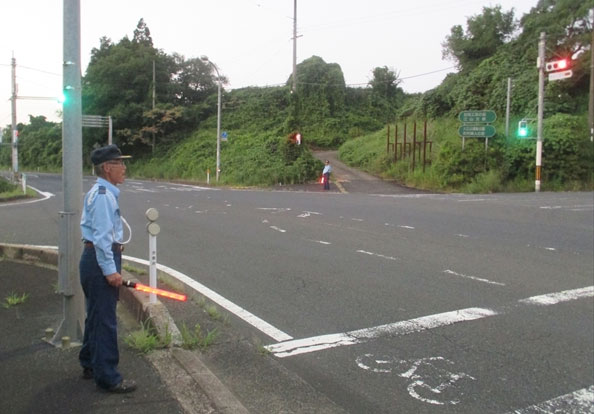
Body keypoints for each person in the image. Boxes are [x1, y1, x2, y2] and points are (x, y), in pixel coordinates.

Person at [78, 144, 136, 393]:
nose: (124, 168)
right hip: (99, 258)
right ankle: (108, 376)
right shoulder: (103, 196)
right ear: (107, 168)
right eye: (119, 163)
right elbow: (102, 238)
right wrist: (111, 270)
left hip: (93, 259)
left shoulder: (102, 192)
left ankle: (90, 362)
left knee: (96, 315)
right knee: (105, 320)